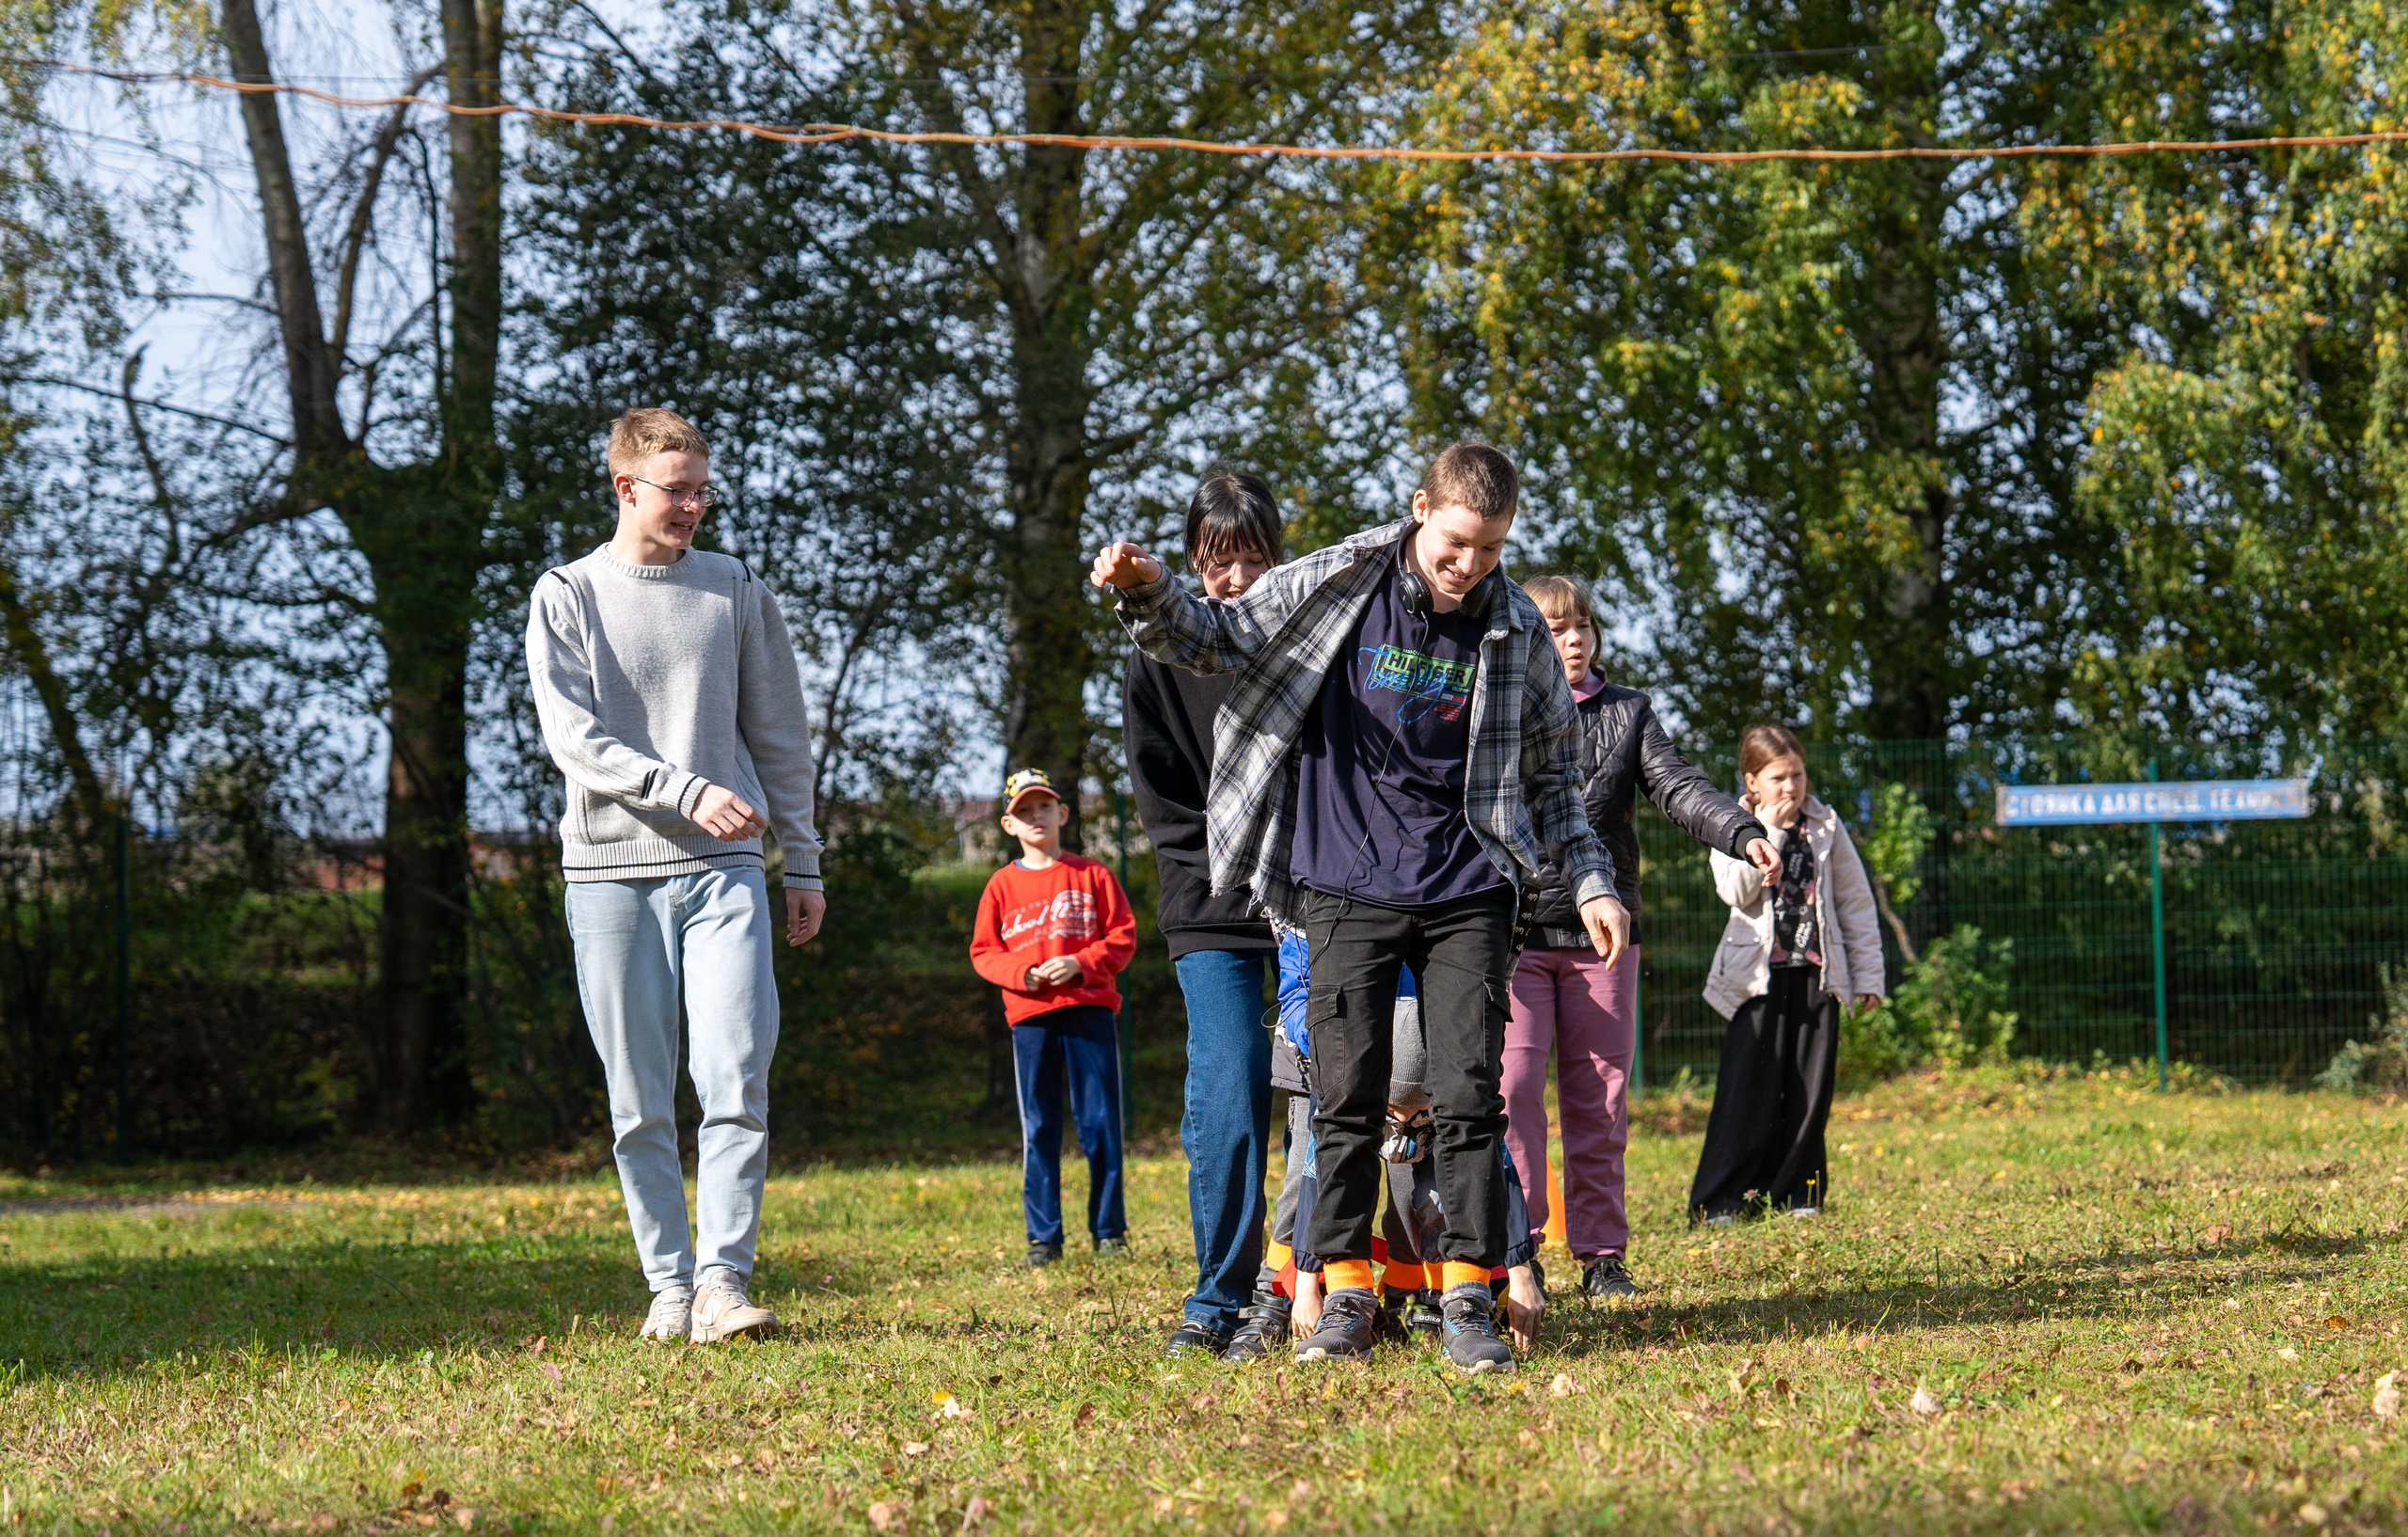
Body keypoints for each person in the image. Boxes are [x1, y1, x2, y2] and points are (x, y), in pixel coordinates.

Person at [1092, 441, 1629, 1375]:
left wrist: (1590, 880)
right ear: (1422, 509)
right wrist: (1144, 589)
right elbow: (1212, 636)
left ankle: (1467, 1294)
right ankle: (1343, 1293)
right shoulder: (1340, 580)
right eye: (1458, 543)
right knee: (1342, 1100)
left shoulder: (1513, 628)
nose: (1471, 567)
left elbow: (1553, 779)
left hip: (1466, 889)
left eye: (1493, 550)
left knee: (1467, 1093)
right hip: (1343, 884)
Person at [526, 406, 827, 1346]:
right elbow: (574, 739)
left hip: (726, 869)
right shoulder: (566, 593)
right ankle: (667, 1282)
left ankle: (722, 1283)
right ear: (625, 486)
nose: (694, 504)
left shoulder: (733, 588)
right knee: (638, 1096)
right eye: (677, 489)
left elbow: (779, 732)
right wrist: (682, 787)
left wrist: (803, 858)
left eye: (703, 489)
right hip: (610, 875)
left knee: (736, 1075)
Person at [1509, 576, 1777, 1300]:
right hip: (1511, 935)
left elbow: (1680, 786)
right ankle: (1519, 1248)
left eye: (1583, 626)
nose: (1574, 639)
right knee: (1513, 1091)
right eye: (1557, 628)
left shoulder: (1628, 714)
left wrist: (1740, 831)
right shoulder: (1499, 709)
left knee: (1599, 1102)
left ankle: (1602, 1256)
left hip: (1601, 935)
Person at [1127, 474, 1285, 1360]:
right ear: (1194, 562)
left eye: (1255, 560)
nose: (1237, 580)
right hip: (1211, 907)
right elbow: (1164, 801)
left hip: (1312, 897)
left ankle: (1304, 1282)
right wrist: (1224, 871)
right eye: (1220, 562)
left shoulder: (1306, 641)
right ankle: (1217, 1295)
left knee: (1332, 1098)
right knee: (1226, 1094)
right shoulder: (1153, 654)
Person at [1690, 725, 1886, 1224]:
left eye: (1797, 774)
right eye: (1778, 777)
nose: (1790, 787)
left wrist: (1869, 977)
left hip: (1817, 974)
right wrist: (1769, 833)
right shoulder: (1732, 823)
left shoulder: (1826, 824)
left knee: (1808, 1091)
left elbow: (1855, 903)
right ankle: (1724, 1200)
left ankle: (1800, 1195)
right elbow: (1735, 891)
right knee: (1745, 1092)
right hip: (1755, 980)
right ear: (1752, 781)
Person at [970, 768, 1140, 1266]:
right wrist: (1022, 973)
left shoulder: (1093, 875)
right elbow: (984, 951)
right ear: (1008, 824)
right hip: (1032, 1017)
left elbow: (1123, 935)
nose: (1035, 816)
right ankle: (1044, 1238)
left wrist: (1081, 964)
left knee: (1101, 1123)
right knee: (1040, 1125)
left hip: (1088, 1011)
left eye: (1043, 807)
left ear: (1062, 813)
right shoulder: (1001, 885)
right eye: (1024, 811)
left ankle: (1109, 1232)